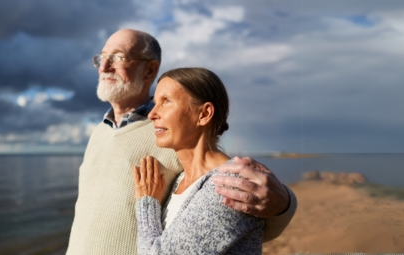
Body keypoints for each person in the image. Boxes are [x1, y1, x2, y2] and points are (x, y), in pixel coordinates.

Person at [66, 29, 297, 254]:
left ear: (149, 70)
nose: (105, 67)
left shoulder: (171, 134)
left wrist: (284, 203)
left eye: (117, 57)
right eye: (102, 58)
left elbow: (241, 213)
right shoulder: (99, 132)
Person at [134, 67, 258, 253]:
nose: (151, 114)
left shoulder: (228, 187)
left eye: (166, 101)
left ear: (204, 114)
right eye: (155, 103)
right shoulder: (180, 180)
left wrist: (147, 203)